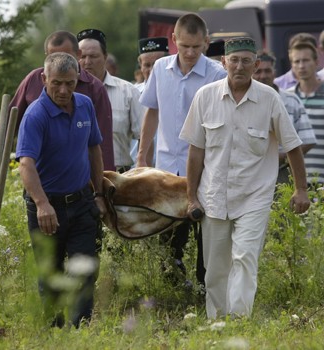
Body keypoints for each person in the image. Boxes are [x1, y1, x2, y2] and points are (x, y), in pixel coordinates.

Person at [180, 37, 310, 319]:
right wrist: (191, 197)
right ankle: (217, 321)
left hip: (255, 196)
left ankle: (239, 321)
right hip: (213, 195)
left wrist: (301, 189)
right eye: (234, 60)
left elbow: (293, 147)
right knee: (215, 267)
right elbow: (195, 153)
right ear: (224, 62)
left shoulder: (269, 99)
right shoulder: (205, 96)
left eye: (246, 61)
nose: (239, 66)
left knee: (244, 258)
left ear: (256, 65)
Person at [16, 52, 106, 328]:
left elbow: (94, 149)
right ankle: (53, 331)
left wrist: (99, 194)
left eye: (70, 83)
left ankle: (80, 329)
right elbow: (26, 165)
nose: (64, 90)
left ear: (78, 79)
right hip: (47, 207)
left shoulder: (85, 105)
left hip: (81, 202)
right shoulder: (36, 116)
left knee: (85, 269)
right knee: (50, 273)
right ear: (44, 79)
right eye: (57, 83)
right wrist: (42, 204)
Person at [137, 13, 227, 286]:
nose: (189, 52)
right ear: (173, 39)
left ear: (206, 43)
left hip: (206, 167)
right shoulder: (161, 69)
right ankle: (173, 286)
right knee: (168, 233)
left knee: (205, 232)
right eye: (184, 45)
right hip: (166, 164)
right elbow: (152, 111)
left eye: (196, 47)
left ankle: (204, 287)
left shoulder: (217, 74)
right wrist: (142, 156)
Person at [0, 31, 114, 188]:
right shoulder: (33, 80)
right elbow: (9, 121)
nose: (60, 62)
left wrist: (102, 190)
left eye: (66, 56)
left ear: (78, 54)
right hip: (40, 180)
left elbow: (101, 144)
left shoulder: (94, 89)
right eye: (53, 56)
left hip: (81, 185)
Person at [78, 28, 144, 173]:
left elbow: (144, 136)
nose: (87, 62)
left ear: (105, 57)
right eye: (82, 56)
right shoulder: (68, 93)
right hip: (78, 180)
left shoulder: (128, 91)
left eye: (94, 56)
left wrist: (142, 168)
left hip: (118, 177)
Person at [252, 50, 316, 183]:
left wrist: (282, 157)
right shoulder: (244, 101)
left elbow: (308, 140)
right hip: (251, 174)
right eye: (258, 71)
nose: (263, 76)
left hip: (284, 173)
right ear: (251, 73)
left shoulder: (291, 100)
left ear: (274, 73)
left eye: (267, 71)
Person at [286, 41, 324, 185]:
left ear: (316, 62)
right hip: (295, 183)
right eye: (297, 61)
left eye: (306, 60)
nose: (301, 66)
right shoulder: (287, 98)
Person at [130, 36, 169, 166]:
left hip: (169, 169)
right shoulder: (131, 94)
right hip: (137, 169)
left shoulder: (178, 93)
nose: (152, 70)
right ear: (140, 66)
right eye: (147, 65)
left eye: (157, 63)